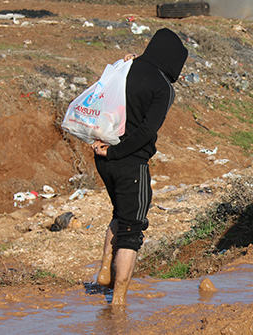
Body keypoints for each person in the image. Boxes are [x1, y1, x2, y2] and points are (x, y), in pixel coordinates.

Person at [92, 28, 188, 305]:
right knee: (132, 230)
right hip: (129, 163)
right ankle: (119, 301)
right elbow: (147, 130)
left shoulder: (126, 67)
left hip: (102, 159)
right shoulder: (163, 87)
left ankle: (103, 272)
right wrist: (117, 152)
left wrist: (106, 150)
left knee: (121, 214)